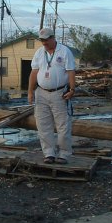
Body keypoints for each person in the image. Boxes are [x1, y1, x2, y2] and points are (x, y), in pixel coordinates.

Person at [28, 27, 76, 164]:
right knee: (43, 125)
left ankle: (64, 154)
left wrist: (72, 89)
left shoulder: (64, 51)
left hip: (59, 93)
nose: (44, 42)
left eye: (46, 39)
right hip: (41, 93)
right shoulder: (39, 53)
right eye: (42, 40)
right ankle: (49, 153)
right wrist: (30, 91)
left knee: (63, 125)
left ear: (53, 37)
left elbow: (71, 71)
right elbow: (34, 73)